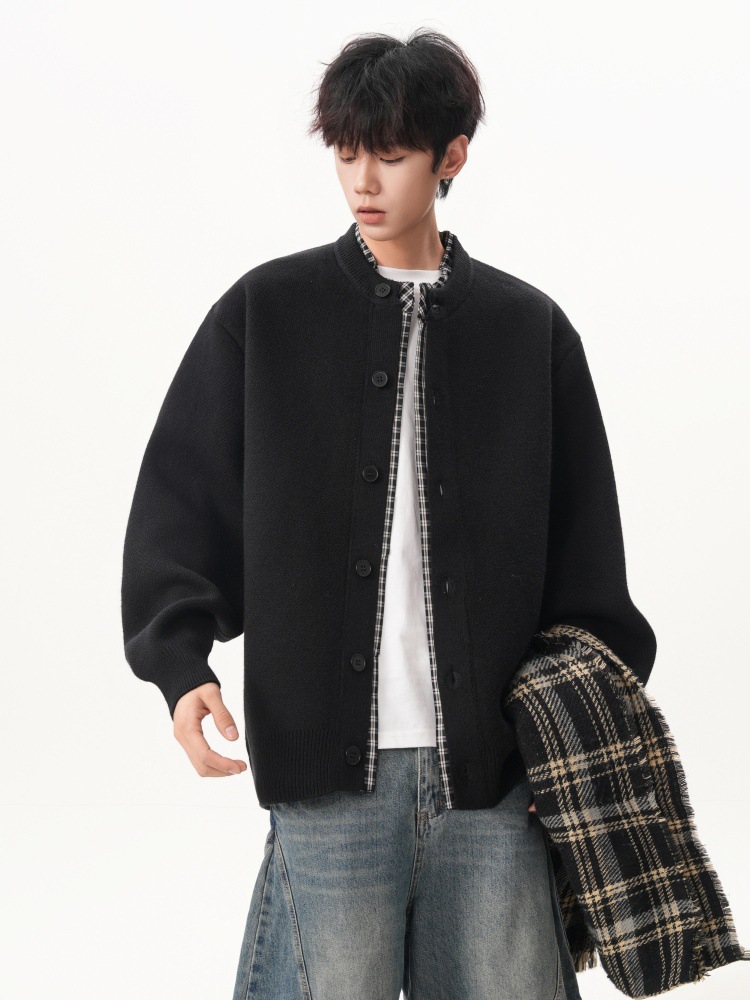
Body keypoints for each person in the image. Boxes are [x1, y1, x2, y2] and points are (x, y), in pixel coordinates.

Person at [121, 28, 656, 1000]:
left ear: (453, 156)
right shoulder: (266, 312)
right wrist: (180, 662)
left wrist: (567, 740)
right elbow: (181, 499)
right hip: (329, 777)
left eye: (393, 154)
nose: (363, 180)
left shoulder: (528, 330)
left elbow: (590, 564)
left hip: (495, 781)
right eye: (346, 151)